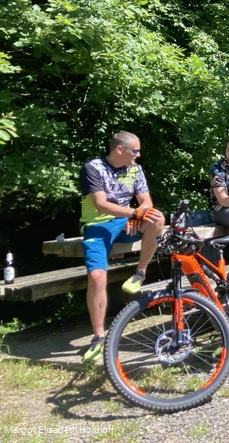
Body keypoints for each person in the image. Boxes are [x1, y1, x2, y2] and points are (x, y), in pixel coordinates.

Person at [79, 131, 165, 363]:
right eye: (135, 151)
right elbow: (100, 204)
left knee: (157, 218)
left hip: (126, 222)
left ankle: (140, 273)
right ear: (120, 150)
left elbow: (146, 201)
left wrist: (139, 215)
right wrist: (134, 212)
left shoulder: (135, 169)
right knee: (97, 277)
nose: (138, 155)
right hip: (97, 225)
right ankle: (98, 337)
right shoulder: (93, 168)